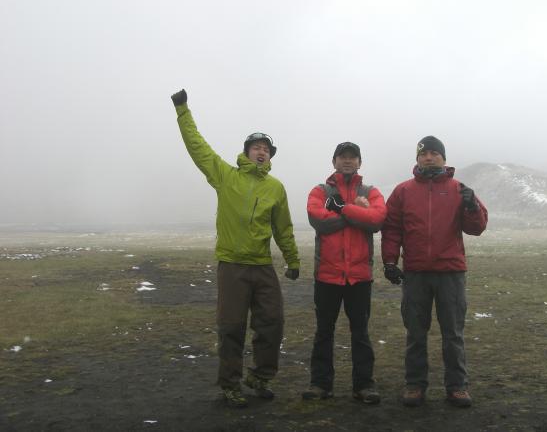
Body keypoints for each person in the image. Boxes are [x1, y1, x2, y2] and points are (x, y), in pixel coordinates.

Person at [171, 89, 300, 408]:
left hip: (262, 266)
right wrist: (183, 110)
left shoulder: (276, 188)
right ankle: (230, 384)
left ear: (271, 156)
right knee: (231, 326)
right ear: (246, 152)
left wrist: (292, 259)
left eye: (267, 149)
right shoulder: (226, 176)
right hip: (232, 265)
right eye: (257, 147)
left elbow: (282, 227)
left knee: (272, 322)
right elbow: (198, 147)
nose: (262, 152)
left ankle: (260, 377)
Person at [381, 136, 488, 408]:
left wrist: (472, 207)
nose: (428, 158)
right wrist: (390, 261)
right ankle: (415, 385)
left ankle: (457, 386)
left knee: (453, 333)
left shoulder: (459, 189)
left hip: (450, 272)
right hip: (416, 273)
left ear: (444, 158)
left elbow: (476, 228)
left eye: (434, 153)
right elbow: (392, 228)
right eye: (423, 154)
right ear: (417, 158)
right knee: (415, 332)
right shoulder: (403, 191)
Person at [302, 142, 387, 404]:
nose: (347, 161)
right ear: (334, 161)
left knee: (360, 333)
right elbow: (318, 220)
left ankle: (364, 385)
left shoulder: (370, 191)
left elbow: (377, 220)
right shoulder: (320, 190)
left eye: (353, 157)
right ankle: (320, 384)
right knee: (324, 332)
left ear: (360, 162)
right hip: (327, 275)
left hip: (359, 277)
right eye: (343, 157)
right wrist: (357, 212)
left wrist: (340, 208)